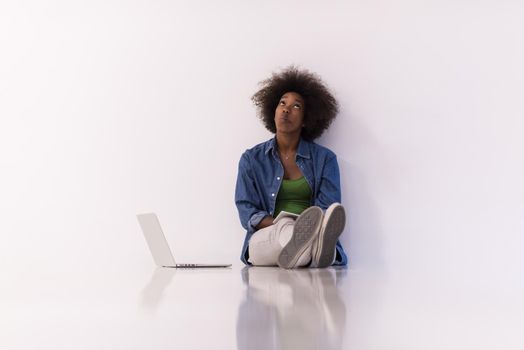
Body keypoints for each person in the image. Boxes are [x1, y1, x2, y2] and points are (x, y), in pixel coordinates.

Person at [235, 66, 348, 269]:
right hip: (266, 237)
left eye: (296, 106)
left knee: (301, 242)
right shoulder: (251, 160)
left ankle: (306, 251)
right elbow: (247, 212)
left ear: (306, 119)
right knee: (286, 229)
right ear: (273, 110)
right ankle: (319, 253)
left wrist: (309, 227)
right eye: (282, 103)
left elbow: (328, 209)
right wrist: (285, 223)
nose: (286, 109)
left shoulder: (325, 160)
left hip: (310, 232)